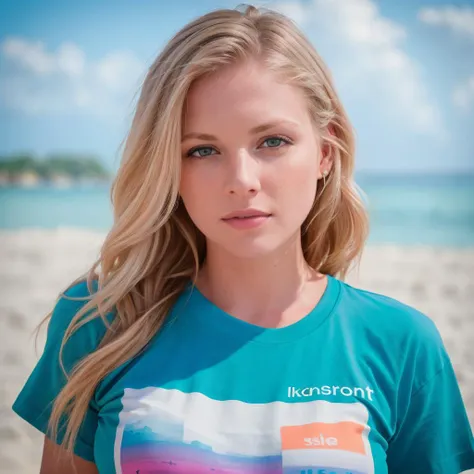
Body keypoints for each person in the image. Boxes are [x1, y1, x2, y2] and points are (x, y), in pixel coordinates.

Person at [12, 4, 474, 474]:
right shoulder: (99, 322)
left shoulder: (401, 343)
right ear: (169, 170)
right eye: (203, 150)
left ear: (325, 154)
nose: (241, 179)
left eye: (272, 141)